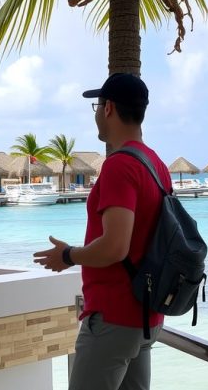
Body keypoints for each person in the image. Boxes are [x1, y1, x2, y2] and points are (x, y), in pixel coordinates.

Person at [33, 73, 170, 390]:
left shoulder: (119, 165)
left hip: (114, 316)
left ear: (107, 108)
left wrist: (68, 255)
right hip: (146, 316)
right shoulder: (156, 164)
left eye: (96, 106)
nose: (95, 113)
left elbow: (115, 247)